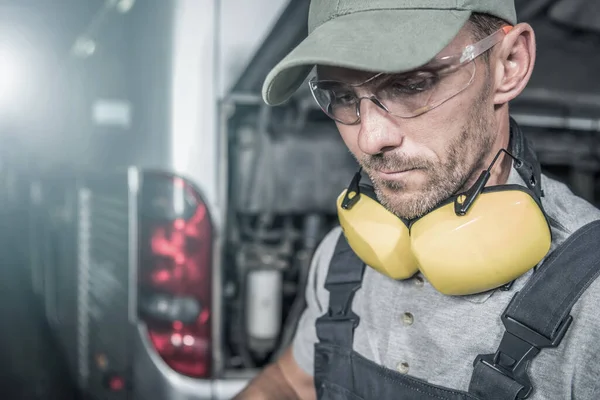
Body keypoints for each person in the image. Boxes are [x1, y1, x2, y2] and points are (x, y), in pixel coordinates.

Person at [234, 0, 600, 399]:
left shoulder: (592, 303)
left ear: (509, 64)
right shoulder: (342, 255)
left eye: (412, 85)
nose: (370, 139)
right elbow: (290, 382)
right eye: (340, 95)